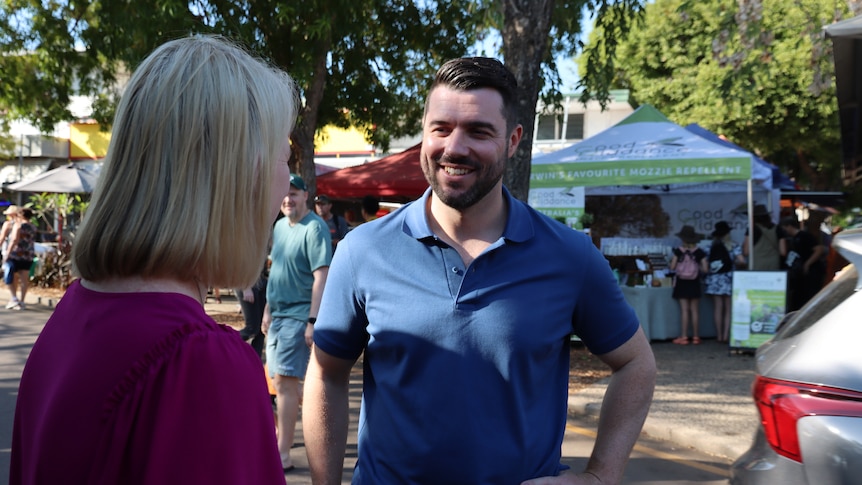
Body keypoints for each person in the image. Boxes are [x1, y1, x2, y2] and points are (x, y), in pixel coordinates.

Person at [303, 57, 656, 484]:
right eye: (441, 128)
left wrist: (600, 476)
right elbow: (326, 372)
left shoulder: (570, 256)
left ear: (513, 140)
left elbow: (636, 363)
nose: (455, 147)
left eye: (478, 131)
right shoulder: (363, 250)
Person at [10, 35, 299, 484]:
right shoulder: (198, 365)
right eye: (287, 157)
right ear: (243, 171)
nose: (286, 187)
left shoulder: (74, 313)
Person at [262, 174, 332, 473]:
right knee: (278, 384)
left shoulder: (315, 228)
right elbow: (276, 270)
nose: (288, 198)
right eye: (284, 193)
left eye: (294, 193)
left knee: (284, 384)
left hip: (299, 314)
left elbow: (321, 276)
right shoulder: (279, 226)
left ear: (305, 196)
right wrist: (267, 308)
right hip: (276, 316)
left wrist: (313, 320)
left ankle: (283, 454)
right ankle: (289, 434)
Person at [704, 221, 745, 343]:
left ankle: (719, 335)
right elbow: (742, 261)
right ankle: (726, 335)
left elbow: (705, 265)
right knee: (728, 308)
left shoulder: (709, 247)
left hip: (714, 280)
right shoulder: (733, 246)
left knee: (718, 308)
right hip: (729, 279)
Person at [669, 225, 709, 345]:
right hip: (694, 282)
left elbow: (672, 267)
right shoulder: (699, 252)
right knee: (695, 310)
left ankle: (684, 336)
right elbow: (706, 269)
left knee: (684, 310)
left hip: (682, 283)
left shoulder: (678, 251)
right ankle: (696, 337)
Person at [780, 215, 826, 312]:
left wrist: (807, 264)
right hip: (801, 274)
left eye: (784, 228)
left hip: (811, 273)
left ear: (789, 226)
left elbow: (819, 249)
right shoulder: (793, 239)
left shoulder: (805, 236)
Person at [1, 206, 37, 310]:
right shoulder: (33, 227)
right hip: (28, 255)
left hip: (16, 254)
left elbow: (14, 240)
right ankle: (22, 301)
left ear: (21, 215)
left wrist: (8, 253)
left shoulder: (18, 225)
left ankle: (14, 298)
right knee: (24, 278)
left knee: (11, 276)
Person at [235, 259, 269, 359]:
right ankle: (224, 343)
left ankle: (255, 360)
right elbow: (240, 261)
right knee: (251, 328)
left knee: (261, 330)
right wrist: (246, 287)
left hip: (262, 281)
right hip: (247, 284)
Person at [741, 204, 782, 271]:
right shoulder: (777, 229)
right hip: (773, 264)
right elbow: (783, 251)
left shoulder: (752, 229)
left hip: (756, 264)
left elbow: (746, 251)